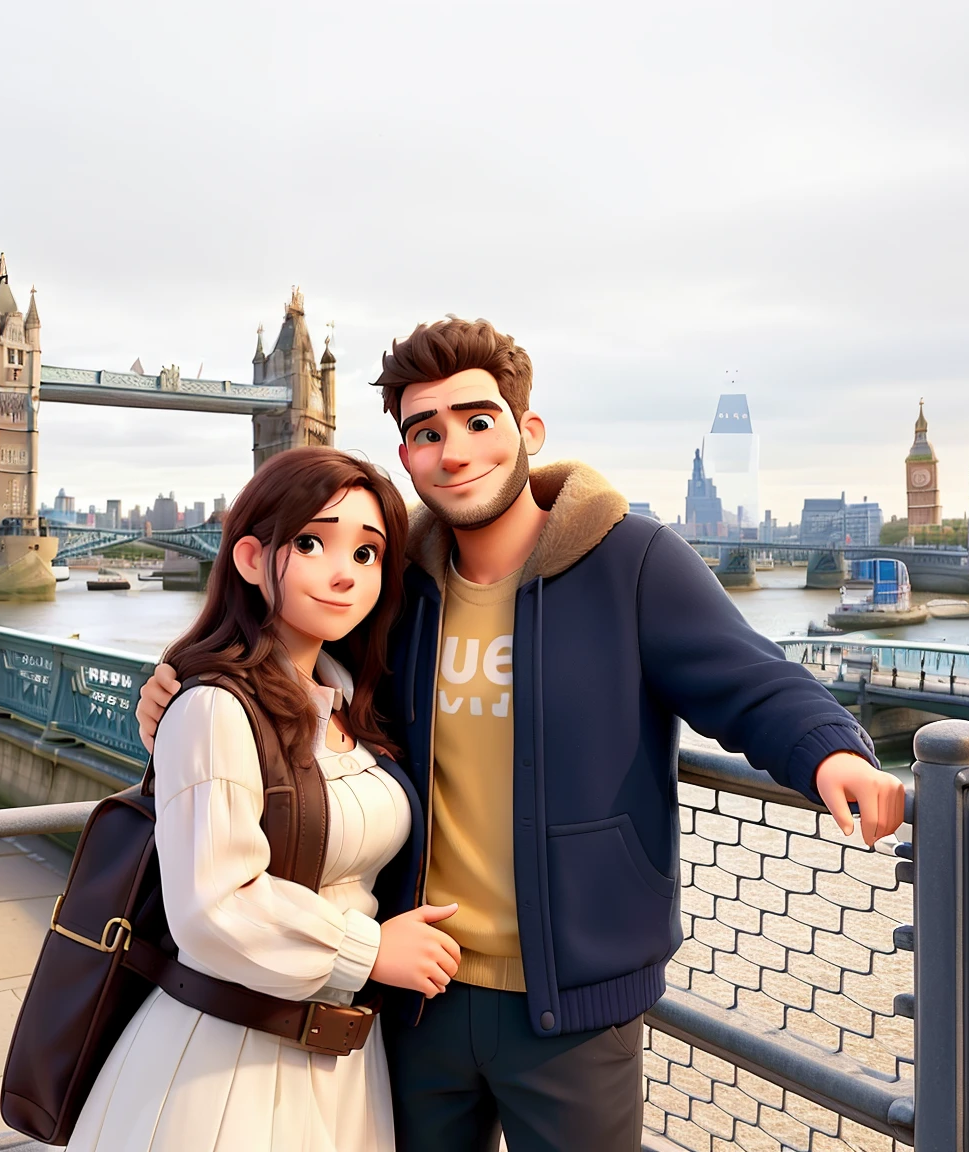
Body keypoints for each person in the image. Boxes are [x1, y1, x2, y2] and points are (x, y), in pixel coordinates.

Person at [137, 318, 906, 1152]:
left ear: (527, 431)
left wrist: (830, 748)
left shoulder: (630, 560)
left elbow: (748, 679)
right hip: (412, 989)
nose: (455, 451)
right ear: (408, 460)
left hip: (572, 1004)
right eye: (427, 433)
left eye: (477, 421)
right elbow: (292, 672)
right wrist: (180, 689)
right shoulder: (399, 589)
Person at [69, 447, 460, 1152]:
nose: (345, 572)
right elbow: (213, 907)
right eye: (311, 543)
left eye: (369, 554)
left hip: (341, 1064)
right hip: (226, 1069)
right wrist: (373, 949)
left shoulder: (354, 704)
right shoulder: (214, 707)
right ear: (251, 558)